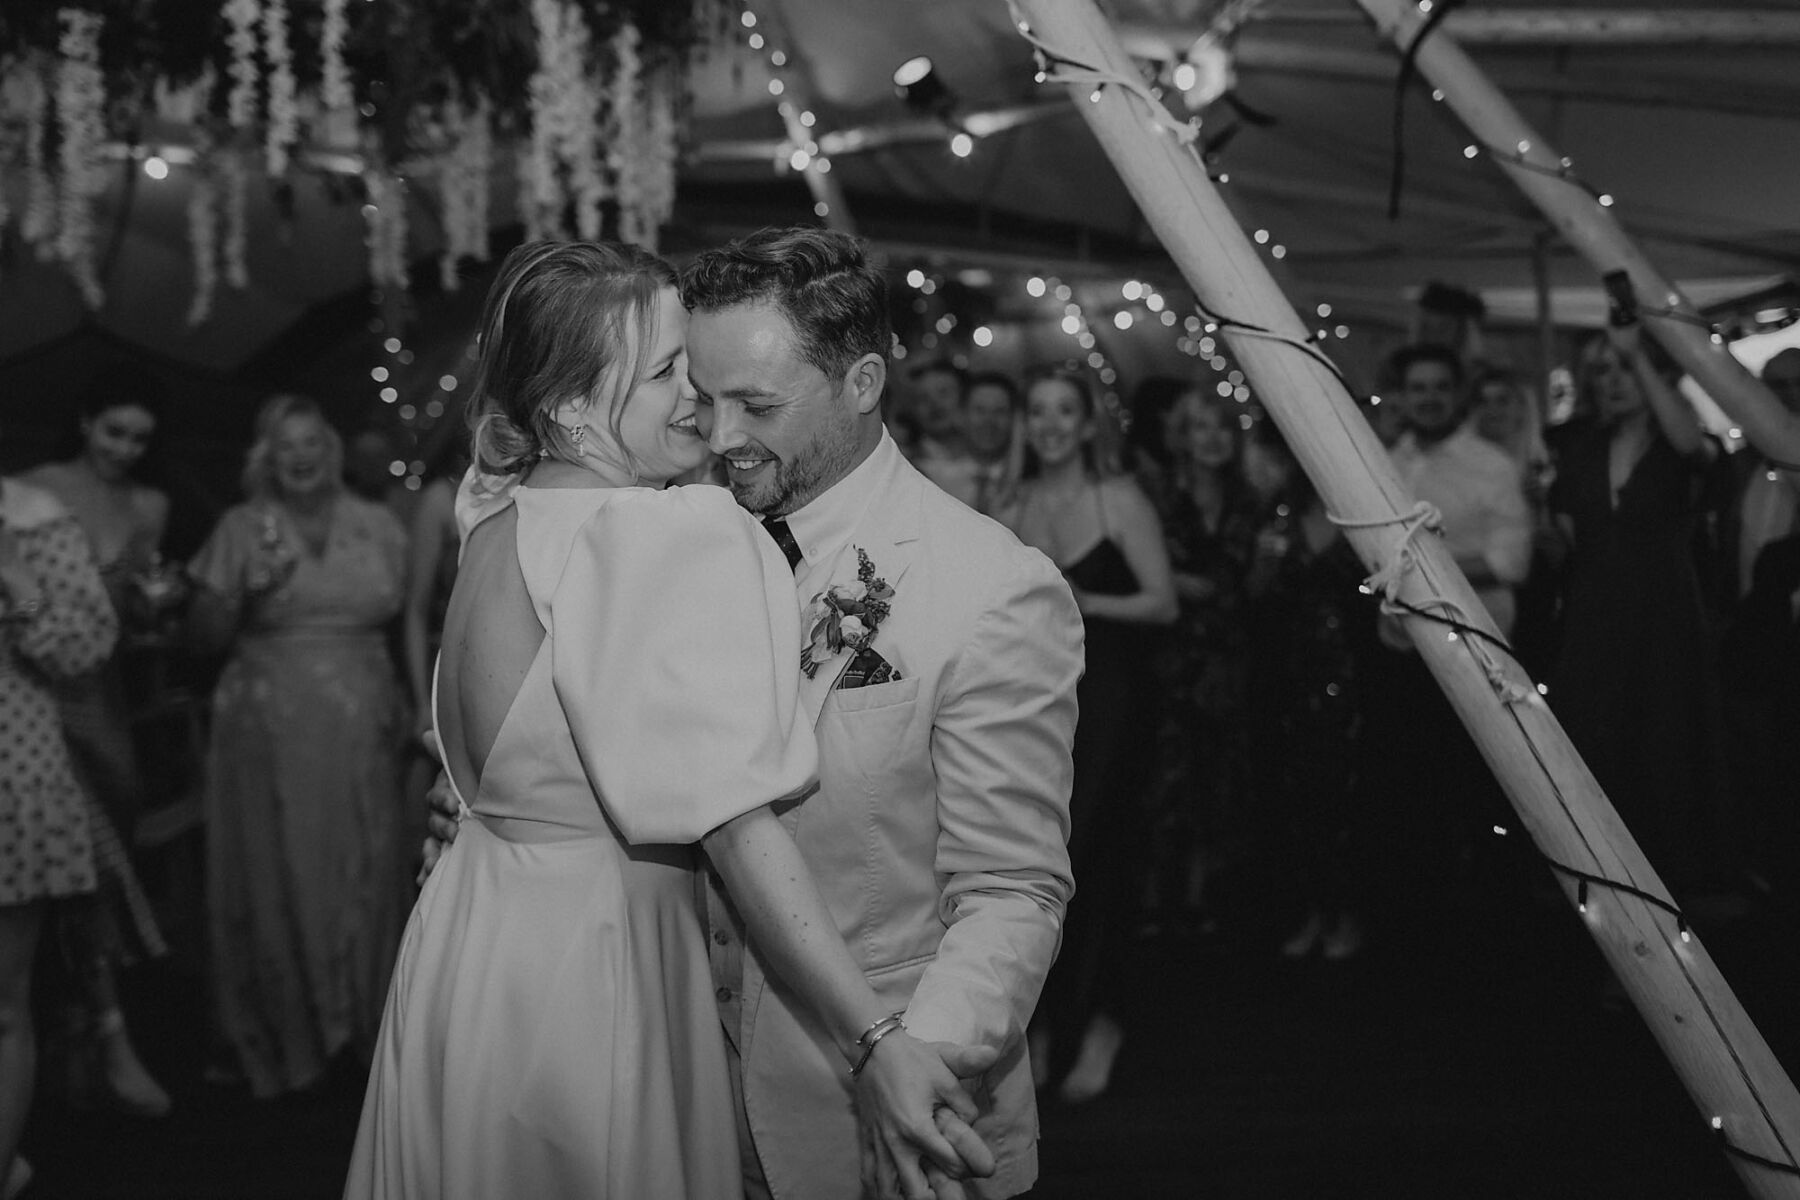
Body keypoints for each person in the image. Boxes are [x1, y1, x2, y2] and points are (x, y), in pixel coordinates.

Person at [427, 226, 1082, 1200]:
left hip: (867, 1119)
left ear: (862, 382)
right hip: (659, 1079)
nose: (719, 435)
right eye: (698, 391)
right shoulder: (657, 518)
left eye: (758, 405)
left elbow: (1009, 889)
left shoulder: (993, 589)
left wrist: (917, 1065)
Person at [185, 393, 411, 1098]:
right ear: (265, 457)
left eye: (314, 441)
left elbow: (411, 618)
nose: (303, 455)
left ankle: (371, 1026)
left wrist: (414, 704)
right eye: (287, 445)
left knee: (368, 870)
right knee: (283, 871)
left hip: (368, 722)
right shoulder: (241, 527)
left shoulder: (378, 523)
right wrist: (232, 598)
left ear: (334, 449)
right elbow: (198, 644)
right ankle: (288, 1033)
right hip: (270, 731)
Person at [998, 364, 1176, 1104]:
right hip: (1035, 698)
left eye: (1063, 410)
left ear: (1086, 422)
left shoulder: (1119, 498)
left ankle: (1102, 1022)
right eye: (1038, 410)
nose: (1049, 424)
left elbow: (1163, 603)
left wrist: (1086, 601)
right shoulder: (1009, 502)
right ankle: (1039, 1028)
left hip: (1112, 696)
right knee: (1036, 857)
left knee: (1095, 853)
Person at [20, 366, 176, 1117]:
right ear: (84, 423)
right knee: (70, 860)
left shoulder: (150, 503)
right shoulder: (34, 491)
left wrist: (154, 605)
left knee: (106, 849)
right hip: (32, 692)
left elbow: (135, 624)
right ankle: (97, 1038)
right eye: (114, 431)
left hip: (105, 692)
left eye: (141, 437)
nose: (125, 447)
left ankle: (73, 1039)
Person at [1547, 326, 1727, 893]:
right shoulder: (1581, 445)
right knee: (1600, 742)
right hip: (1596, 612)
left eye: (1626, 368)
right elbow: (1567, 530)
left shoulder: (1677, 445)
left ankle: (1676, 888)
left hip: (1665, 614)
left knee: (1666, 743)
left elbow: (1689, 444)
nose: (1614, 381)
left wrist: (1638, 356)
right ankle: (1606, 885)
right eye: (1603, 370)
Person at [1, 473, 120, 1199]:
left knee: (3, 1004)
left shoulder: (35, 521)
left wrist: (18, 581)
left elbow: (86, 649)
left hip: (11, 772)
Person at [1138, 384, 1256, 936]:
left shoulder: (1251, 499)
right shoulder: (1156, 495)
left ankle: (1207, 902)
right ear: (1182, 437)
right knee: (1166, 782)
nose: (1212, 439)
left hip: (1232, 657)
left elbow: (1251, 583)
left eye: (1222, 427)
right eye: (1200, 427)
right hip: (1171, 657)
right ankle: (1159, 905)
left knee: (1223, 782)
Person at [919, 370, 1022, 516]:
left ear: (1014, 420)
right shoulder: (934, 480)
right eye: (980, 411)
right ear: (961, 415)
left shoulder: (1027, 485)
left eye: (1000, 411)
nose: (989, 422)